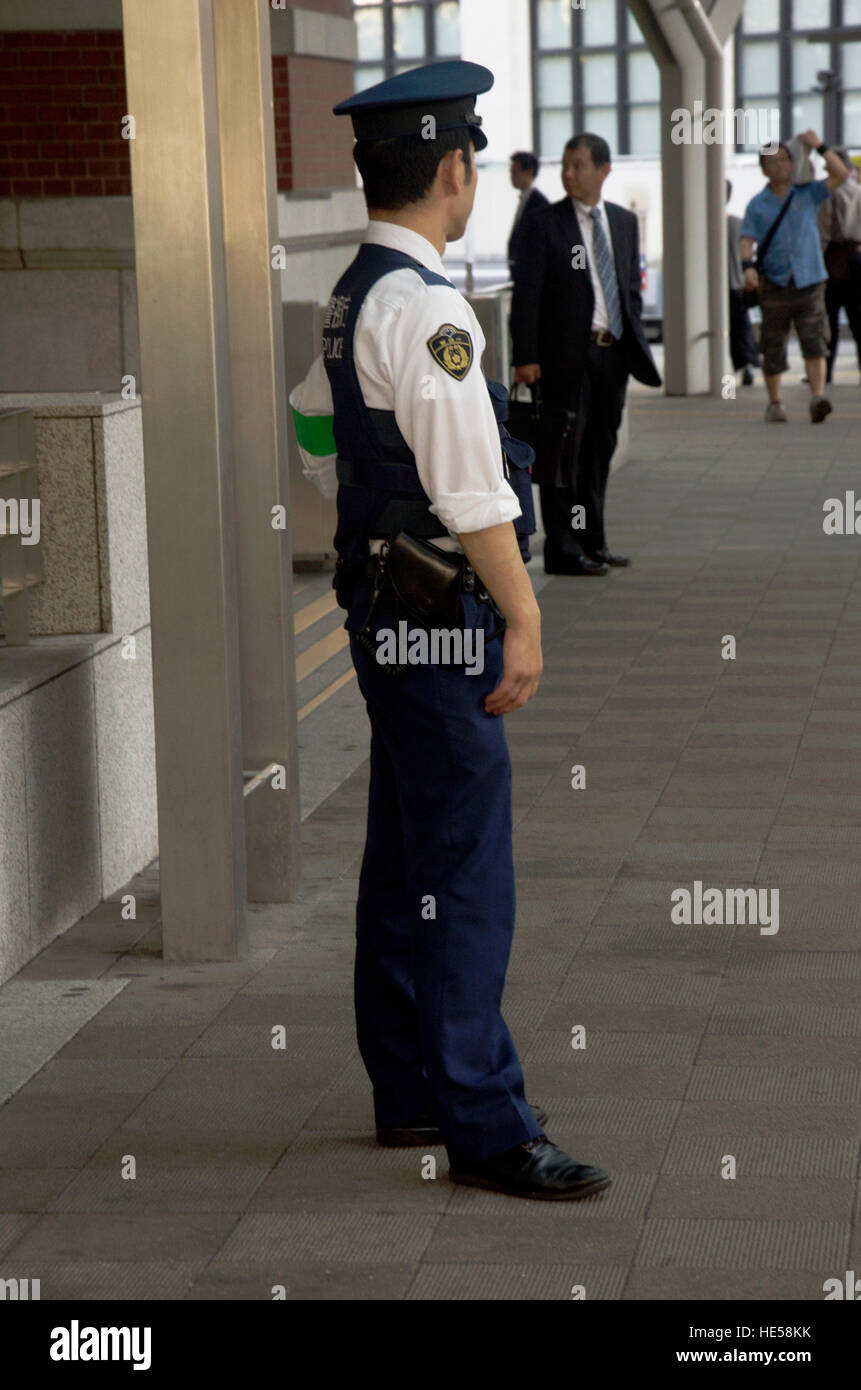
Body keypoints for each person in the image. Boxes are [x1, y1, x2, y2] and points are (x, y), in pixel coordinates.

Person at [291, 61, 611, 1202]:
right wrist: (522, 615)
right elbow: (476, 494)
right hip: (440, 620)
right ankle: (484, 1119)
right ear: (453, 167)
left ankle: (412, 1082)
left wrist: (379, 508)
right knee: (466, 864)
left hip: (382, 613)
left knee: (407, 849)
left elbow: (308, 426)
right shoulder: (429, 309)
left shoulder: (350, 292)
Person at [511, 133, 661, 576]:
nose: (568, 173)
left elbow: (629, 289)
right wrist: (526, 356)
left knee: (599, 451)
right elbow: (528, 296)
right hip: (563, 358)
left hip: (612, 355)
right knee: (562, 454)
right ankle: (561, 549)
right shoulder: (544, 222)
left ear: (604, 170)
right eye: (565, 165)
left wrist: (632, 338)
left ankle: (594, 542)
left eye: (578, 165)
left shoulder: (623, 222)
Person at [740, 133, 850, 423]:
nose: (780, 166)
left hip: (810, 281)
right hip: (774, 283)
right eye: (772, 162)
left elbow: (842, 173)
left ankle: (817, 397)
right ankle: (775, 403)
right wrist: (747, 266)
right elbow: (747, 238)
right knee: (772, 344)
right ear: (763, 169)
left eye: (784, 160)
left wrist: (818, 146)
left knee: (815, 341)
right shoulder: (757, 205)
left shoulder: (808, 193)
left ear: (793, 163)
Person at [818, 148, 861, 385]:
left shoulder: (830, 196)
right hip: (858, 260)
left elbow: (823, 232)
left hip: (834, 263)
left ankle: (827, 373)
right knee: (858, 321)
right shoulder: (859, 191)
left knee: (829, 323)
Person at [726, 179, 760, 385]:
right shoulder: (739, 224)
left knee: (726, 329)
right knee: (742, 326)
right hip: (738, 284)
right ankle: (748, 364)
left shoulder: (704, 226)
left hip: (716, 288)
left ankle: (733, 367)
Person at [507, 151, 548, 274]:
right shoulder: (526, 199)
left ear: (529, 172)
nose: (511, 176)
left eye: (515, 172)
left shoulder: (539, 204)